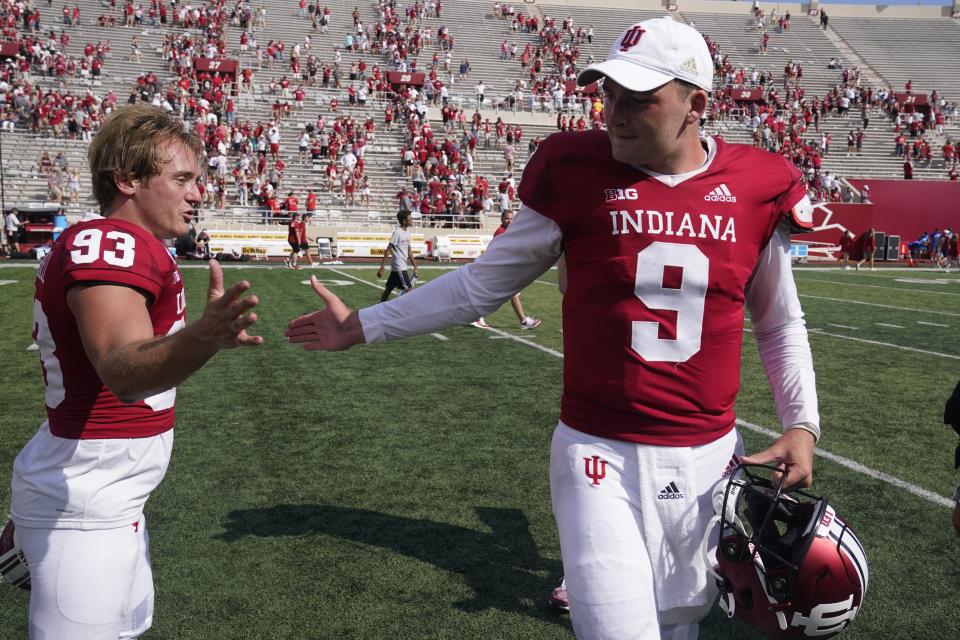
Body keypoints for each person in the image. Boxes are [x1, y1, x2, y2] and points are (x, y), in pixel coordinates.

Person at [286, 18, 820, 640]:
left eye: (639, 100)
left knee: (680, 624)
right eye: (608, 95)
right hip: (599, 452)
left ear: (695, 104)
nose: (615, 114)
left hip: (709, 457)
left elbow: (780, 325)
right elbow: (481, 286)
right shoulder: (574, 169)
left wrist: (801, 425)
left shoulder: (758, 184)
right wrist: (364, 325)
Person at [6, 104, 263, 640]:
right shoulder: (110, 244)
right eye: (182, 179)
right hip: (85, 503)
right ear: (127, 179)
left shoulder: (137, 246)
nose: (198, 194)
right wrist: (202, 338)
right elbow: (121, 371)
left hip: (111, 495)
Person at [471, 211, 541, 330]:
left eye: (511, 219)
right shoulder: (501, 232)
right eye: (507, 219)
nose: (509, 221)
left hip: (502, 268)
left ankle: (523, 321)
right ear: (502, 219)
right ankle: (523, 321)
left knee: (505, 294)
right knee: (506, 294)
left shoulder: (507, 231)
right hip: (499, 269)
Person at [377, 210, 419, 301]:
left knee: (388, 289)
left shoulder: (407, 233)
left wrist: (415, 266)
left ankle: (379, 307)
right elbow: (388, 250)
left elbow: (409, 251)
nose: (412, 220)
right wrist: (382, 268)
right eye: (410, 219)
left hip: (399, 267)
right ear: (404, 221)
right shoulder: (397, 233)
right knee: (409, 290)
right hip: (399, 266)